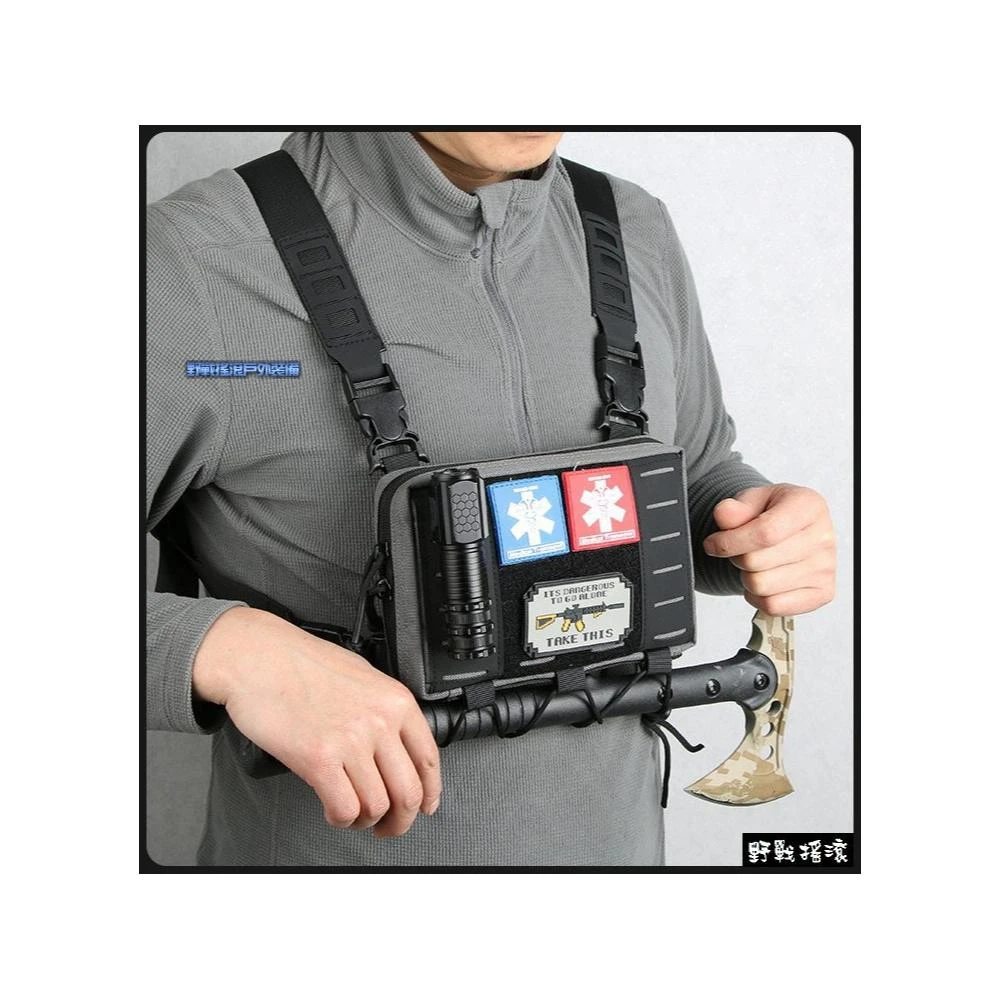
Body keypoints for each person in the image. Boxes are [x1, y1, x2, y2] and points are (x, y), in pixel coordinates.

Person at [146, 131, 836, 866]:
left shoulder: (632, 224)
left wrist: (754, 527)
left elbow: (695, 468)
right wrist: (230, 652)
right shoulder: (188, 261)